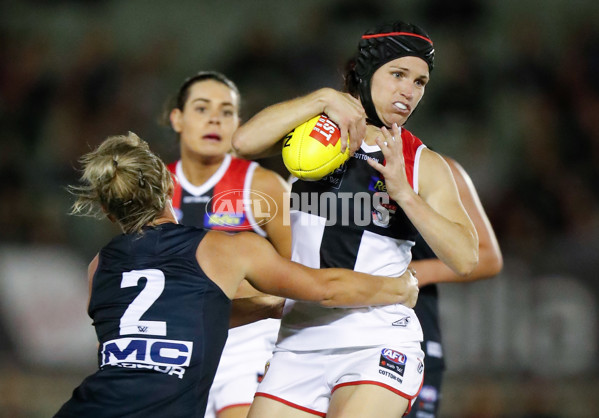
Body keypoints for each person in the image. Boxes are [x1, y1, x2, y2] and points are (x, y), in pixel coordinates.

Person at [54, 132, 419, 418]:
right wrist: (398, 287)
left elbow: (167, 318)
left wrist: (266, 308)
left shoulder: (97, 268)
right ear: (169, 182)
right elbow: (325, 287)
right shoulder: (223, 250)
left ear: (107, 209)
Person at [232, 21, 479, 418]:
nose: (408, 91)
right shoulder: (311, 134)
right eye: (397, 74)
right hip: (300, 336)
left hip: (378, 339)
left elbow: (466, 258)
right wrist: (322, 98)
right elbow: (243, 142)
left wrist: (404, 195)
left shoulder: (422, 163)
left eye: (420, 81)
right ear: (365, 72)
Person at [164, 71, 289, 418]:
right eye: (202, 109)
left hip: (247, 341)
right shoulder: (153, 188)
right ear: (177, 118)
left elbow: (301, 268)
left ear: (238, 123)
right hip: (177, 343)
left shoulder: (262, 186)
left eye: (227, 111)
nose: (215, 119)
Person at [405, 156, 503, 418]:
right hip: (340, 327)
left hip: (415, 329)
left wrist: (414, 273)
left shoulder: (434, 167)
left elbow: (488, 256)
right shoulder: (319, 157)